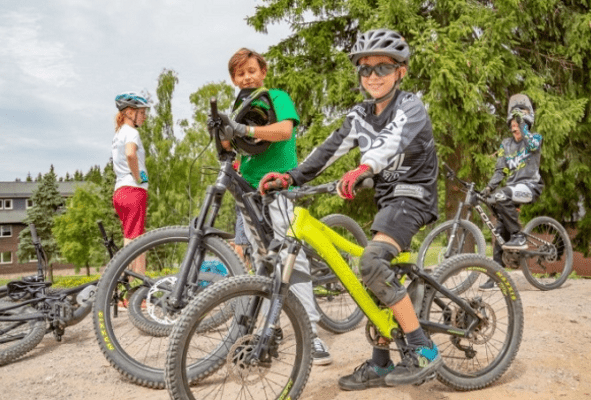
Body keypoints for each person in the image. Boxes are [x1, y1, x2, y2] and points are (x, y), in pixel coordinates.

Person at [258, 29, 441, 389]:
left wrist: (364, 167)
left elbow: (392, 142)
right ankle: (381, 362)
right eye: (365, 69)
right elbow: (328, 150)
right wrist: (291, 176)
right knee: (374, 278)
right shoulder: (359, 115)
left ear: (401, 71)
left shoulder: (411, 107)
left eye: (383, 68)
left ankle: (424, 349)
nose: (373, 76)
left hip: (415, 195)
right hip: (388, 200)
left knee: (371, 263)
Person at [216, 48, 332, 365]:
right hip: (249, 190)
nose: (247, 77)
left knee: (293, 260)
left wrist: (245, 129)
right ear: (233, 80)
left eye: (252, 70)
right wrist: (221, 130)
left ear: (263, 72)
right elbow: (229, 147)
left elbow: (284, 130)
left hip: (278, 185)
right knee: (263, 262)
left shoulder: (277, 96)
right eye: (240, 74)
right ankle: (274, 327)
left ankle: (311, 334)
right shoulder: (239, 106)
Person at [479, 94, 543, 290]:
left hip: (530, 186)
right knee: (499, 232)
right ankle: (496, 277)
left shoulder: (534, 139)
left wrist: (522, 122)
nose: (514, 127)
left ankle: (519, 235)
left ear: (525, 123)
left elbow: (532, 144)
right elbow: (500, 170)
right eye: (512, 124)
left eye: (518, 124)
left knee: (502, 195)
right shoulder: (505, 145)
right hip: (512, 190)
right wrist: (488, 188)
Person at [112, 92, 150, 280]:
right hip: (133, 190)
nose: (144, 116)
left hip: (120, 191)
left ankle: (124, 287)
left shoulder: (118, 134)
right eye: (142, 112)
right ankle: (137, 289)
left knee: (129, 237)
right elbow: (130, 154)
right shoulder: (131, 132)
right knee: (138, 242)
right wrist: (138, 177)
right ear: (129, 112)